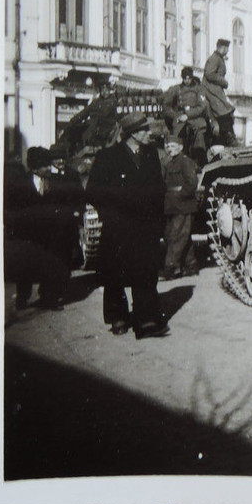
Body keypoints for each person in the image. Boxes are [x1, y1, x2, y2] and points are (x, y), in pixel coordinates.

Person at [86, 112, 169, 339]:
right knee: (115, 274)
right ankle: (118, 317)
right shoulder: (107, 156)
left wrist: (157, 221)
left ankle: (146, 320)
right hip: (118, 227)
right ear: (132, 134)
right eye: (145, 129)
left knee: (144, 272)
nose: (150, 133)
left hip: (144, 226)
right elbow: (93, 191)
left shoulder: (151, 155)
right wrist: (110, 213)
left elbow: (158, 189)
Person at [3, 146, 82, 311]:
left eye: (48, 164)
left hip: (51, 233)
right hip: (27, 232)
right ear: (34, 167)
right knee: (25, 266)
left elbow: (66, 203)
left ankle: (49, 298)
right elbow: (12, 206)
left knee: (51, 264)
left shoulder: (57, 181)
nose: (48, 168)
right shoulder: (20, 183)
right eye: (44, 165)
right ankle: (22, 297)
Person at [161, 134, 200, 279]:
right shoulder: (169, 163)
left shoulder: (185, 162)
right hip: (172, 205)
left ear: (180, 147)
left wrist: (180, 196)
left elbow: (192, 183)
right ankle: (191, 265)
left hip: (183, 205)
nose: (169, 149)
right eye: (168, 146)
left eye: (172, 146)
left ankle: (170, 268)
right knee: (180, 235)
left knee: (176, 236)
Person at [163, 66, 211, 164]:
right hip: (180, 117)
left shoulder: (199, 89)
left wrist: (188, 115)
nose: (187, 80)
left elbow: (202, 106)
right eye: (185, 78)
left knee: (200, 134)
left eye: (189, 78)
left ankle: (200, 162)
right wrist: (175, 115)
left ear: (192, 78)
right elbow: (166, 106)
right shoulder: (176, 89)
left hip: (195, 117)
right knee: (177, 137)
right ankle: (176, 160)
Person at [203, 38, 237, 147]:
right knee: (224, 114)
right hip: (212, 91)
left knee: (226, 114)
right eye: (227, 48)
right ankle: (229, 140)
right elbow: (209, 73)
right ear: (223, 48)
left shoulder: (218, 58)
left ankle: (226, 140)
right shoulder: (215, 59)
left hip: (215, 91)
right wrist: (224, 82)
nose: (227, 51)